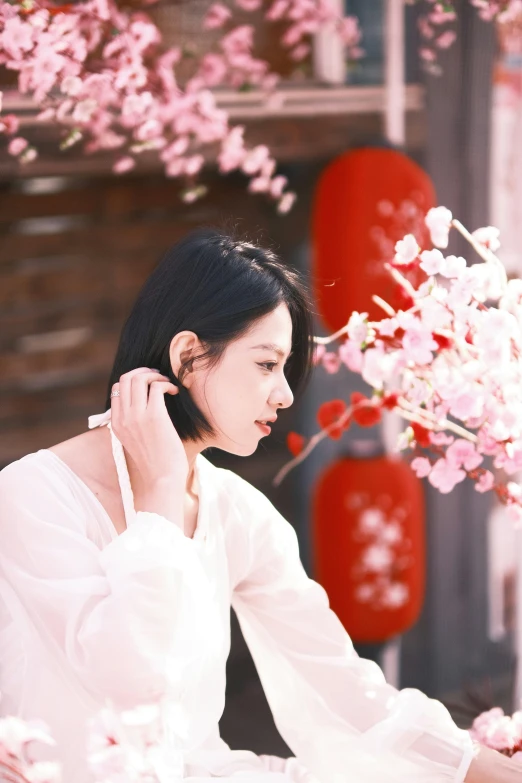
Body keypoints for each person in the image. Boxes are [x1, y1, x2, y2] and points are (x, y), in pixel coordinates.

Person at [0, 228, 518, 783]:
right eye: (267, 365)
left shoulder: (236, 511)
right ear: (189, 355)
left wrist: (478, 768)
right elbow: (129, 684)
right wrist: (159, 494)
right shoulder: (33, 494)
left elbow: (336, 682)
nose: (286, 394)